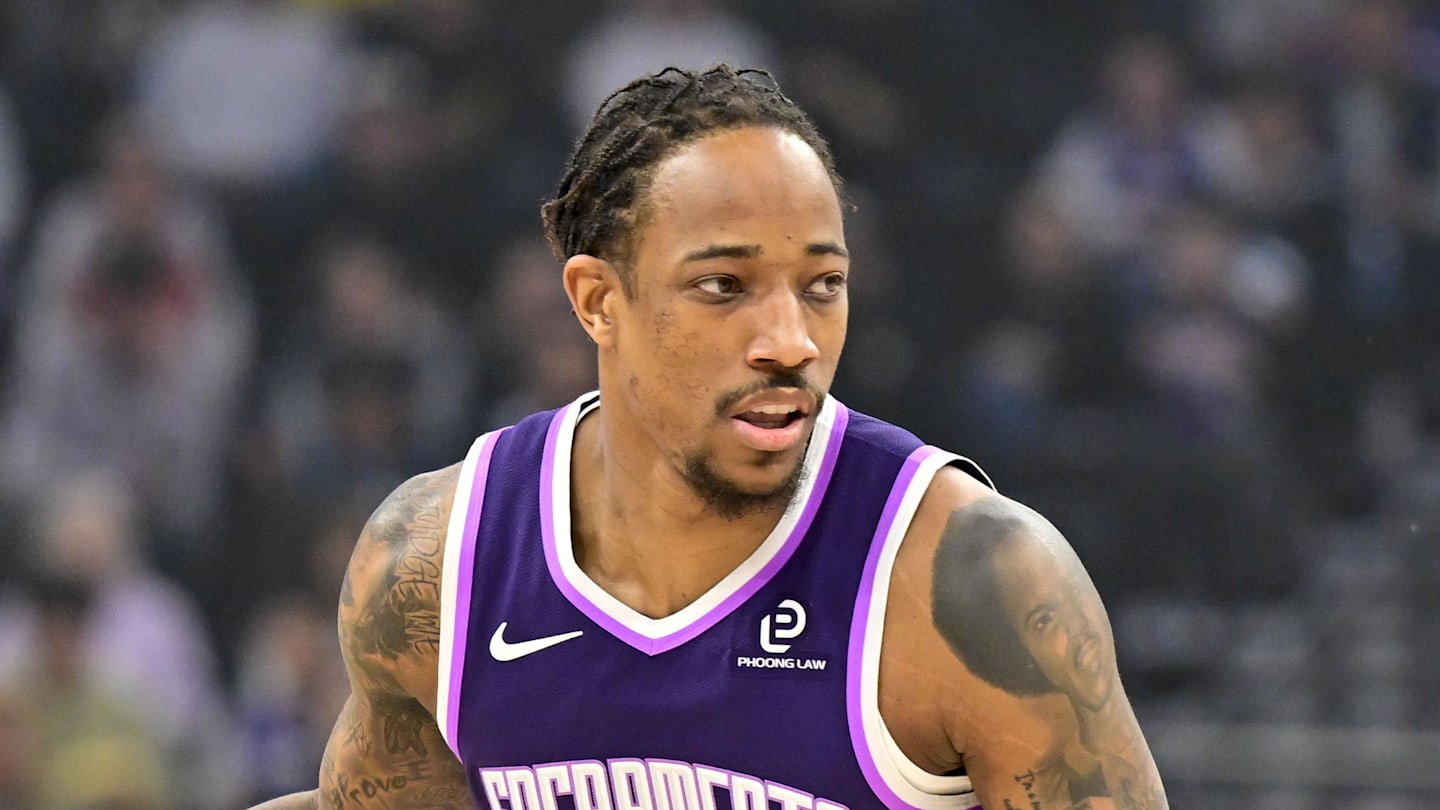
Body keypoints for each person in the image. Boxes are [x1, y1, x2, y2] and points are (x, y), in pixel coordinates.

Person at [249, 65, 1168, 810]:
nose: (790, 343)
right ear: (598, 301)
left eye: (821, 285)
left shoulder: (971, 578)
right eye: (725, 286)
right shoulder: (434, 563)